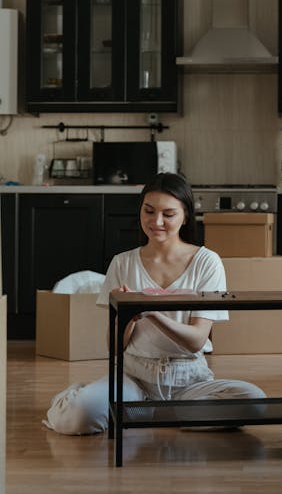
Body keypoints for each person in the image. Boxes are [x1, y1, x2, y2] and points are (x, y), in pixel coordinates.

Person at [44, 172, 265, 435]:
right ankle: (155, 411)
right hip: (133, 377)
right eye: (148, 211)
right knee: (78, 417)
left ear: (185, 216)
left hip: (189, 380)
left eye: (168, 214)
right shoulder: (122, 262)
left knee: (255, 402)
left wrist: (149, 311)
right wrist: (129, 317)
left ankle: (150, 412)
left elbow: (196, 340)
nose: (156, 221)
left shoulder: (207, 262)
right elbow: (114, 346)